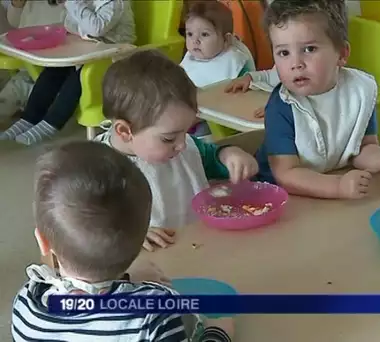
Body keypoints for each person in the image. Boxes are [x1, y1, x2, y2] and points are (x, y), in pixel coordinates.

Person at [11, 141, 234, 341]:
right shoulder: (154, 315)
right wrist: (218, 333)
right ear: (141, 242)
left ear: (42, 241)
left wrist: (127, 281)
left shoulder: (26, 305)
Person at [252, 0, 380, 200]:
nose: (295, 64)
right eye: (283, 53)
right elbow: (286, 174)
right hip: (280, 194)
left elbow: (364, 146)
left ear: (342, 53)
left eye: (309, 49)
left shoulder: (360, 90)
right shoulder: (281, 107)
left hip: (329, 182)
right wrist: (339, 186)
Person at [96, 49, 258, 252]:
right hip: (149, 267)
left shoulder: (185, 146)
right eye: (169, 138)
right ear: (124, 131)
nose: (182, 145)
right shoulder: (97, 169)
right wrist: (126, 233)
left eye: (186, 131)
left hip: (199, 249)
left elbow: (207, 158)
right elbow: (83, 226)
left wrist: (229, 155)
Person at [0, 0, 136, 145]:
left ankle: (50, 124)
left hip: (115, 57)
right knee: (53, 71)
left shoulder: (115, 3)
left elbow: (95, 28)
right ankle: (28, 119)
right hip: (91, 50)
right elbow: (69, 25)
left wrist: (73, 3)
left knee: (78, 79)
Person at [181, 1, 255, 138]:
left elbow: (241, 102)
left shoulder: (234, 61)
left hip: (216, 123)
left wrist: (198, 116)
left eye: (204, 34)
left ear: (226, 39)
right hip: (185, 115)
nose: (195, 41)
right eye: (190, 34)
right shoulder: (191, 57)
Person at [0, 0, 65, 119]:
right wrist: (17, 4)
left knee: (52, 98)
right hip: (28, 67)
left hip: (56, 64)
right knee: (9, 96)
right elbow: (13, 22)